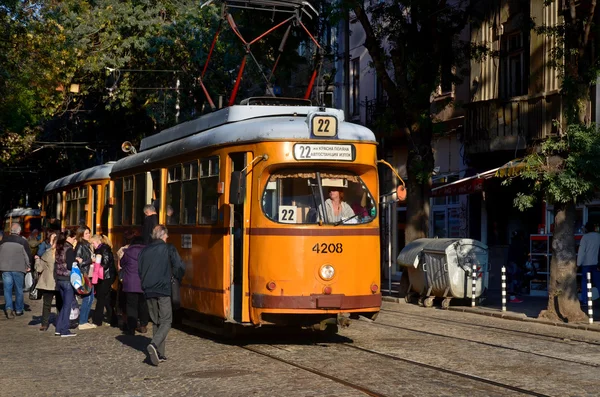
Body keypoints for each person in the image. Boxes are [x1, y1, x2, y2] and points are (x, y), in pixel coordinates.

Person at [138, 225, 185, 366]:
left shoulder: (144, 250)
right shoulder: (168, 248)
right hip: (163, 289)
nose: (168, 237)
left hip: (148, 289)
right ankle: (154, 344)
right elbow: (179, 266)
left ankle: (160, 354)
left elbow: (140, 270)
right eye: (167, 235)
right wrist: (177, 278)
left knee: (156, 321)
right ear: (163, 235)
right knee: (166, 321)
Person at [0, 223, 32, 319]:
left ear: (11, 231)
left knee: (7, 289)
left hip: (5, 268)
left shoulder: (3, 241)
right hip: (18, 268)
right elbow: (27, 255)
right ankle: (18, 309)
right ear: (19, 231)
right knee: (18, 289)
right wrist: (29, 265)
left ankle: (9, 308)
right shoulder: (22, 241)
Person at [120, 236, 149, 335]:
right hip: (143, 283)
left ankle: (131, 327)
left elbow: (122, 263)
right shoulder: (147, 252)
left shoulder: (127, 252)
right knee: (143, 305)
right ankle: (143, 325)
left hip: (130, 284)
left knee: (131, 306)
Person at [35, 232, 63, 331]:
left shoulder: (47, 253)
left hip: (48, 283)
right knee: (60, 304)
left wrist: (37, 260)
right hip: (59, 282)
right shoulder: (62, 254)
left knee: (47, 304)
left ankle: (44, 324)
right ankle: (60, 323)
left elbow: (39, 269)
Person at [54, 230, 77, 337]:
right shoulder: (70, 249)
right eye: (74, 238)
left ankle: (58, 328)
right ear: (69, 238)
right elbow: (70, 265)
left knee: (64, 305)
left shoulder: (59, 247)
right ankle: (64, 330)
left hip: (59, 278)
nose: (74, 240)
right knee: (67, 306)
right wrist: (78, 261)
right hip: (67, 279)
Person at [90, 234, 116, 326]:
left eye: (93, 243)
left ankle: (97, 320)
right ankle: (113, 319)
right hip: (106, 276)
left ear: (98, 242)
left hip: (105, 276)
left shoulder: (103, 249)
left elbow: (105, 263)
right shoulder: (102, 249)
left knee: (101, 298)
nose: (92, 245)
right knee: (106, 298)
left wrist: (95, 261)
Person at [75, 226, 95, 329]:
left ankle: (85, 320)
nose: (89, 235)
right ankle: (82, 322)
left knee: (91, 298)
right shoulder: (80, 245)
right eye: (86, 233)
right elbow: (78, 262)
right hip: (84, 274)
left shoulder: (87, 245)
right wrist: (90, 261)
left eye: (89, 233)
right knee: (87, 298)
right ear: (81, 234)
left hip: (89, 273)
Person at [577, 222, 600, 304]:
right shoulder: (598, 236)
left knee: (584, 281)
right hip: (596, 263)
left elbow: (581, 252)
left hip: (586, 263)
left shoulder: (585, 237)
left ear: (586, 229)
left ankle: (585, 300)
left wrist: (578, 264)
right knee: (598, 281)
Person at [506, 230, 526, 303]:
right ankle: (512, 297)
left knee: (511, 278)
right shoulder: (519, 243)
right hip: (515, 263)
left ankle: (512, 296)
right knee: (514, 279)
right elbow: (520, 255)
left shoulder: (512, 243)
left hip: (510, 262)